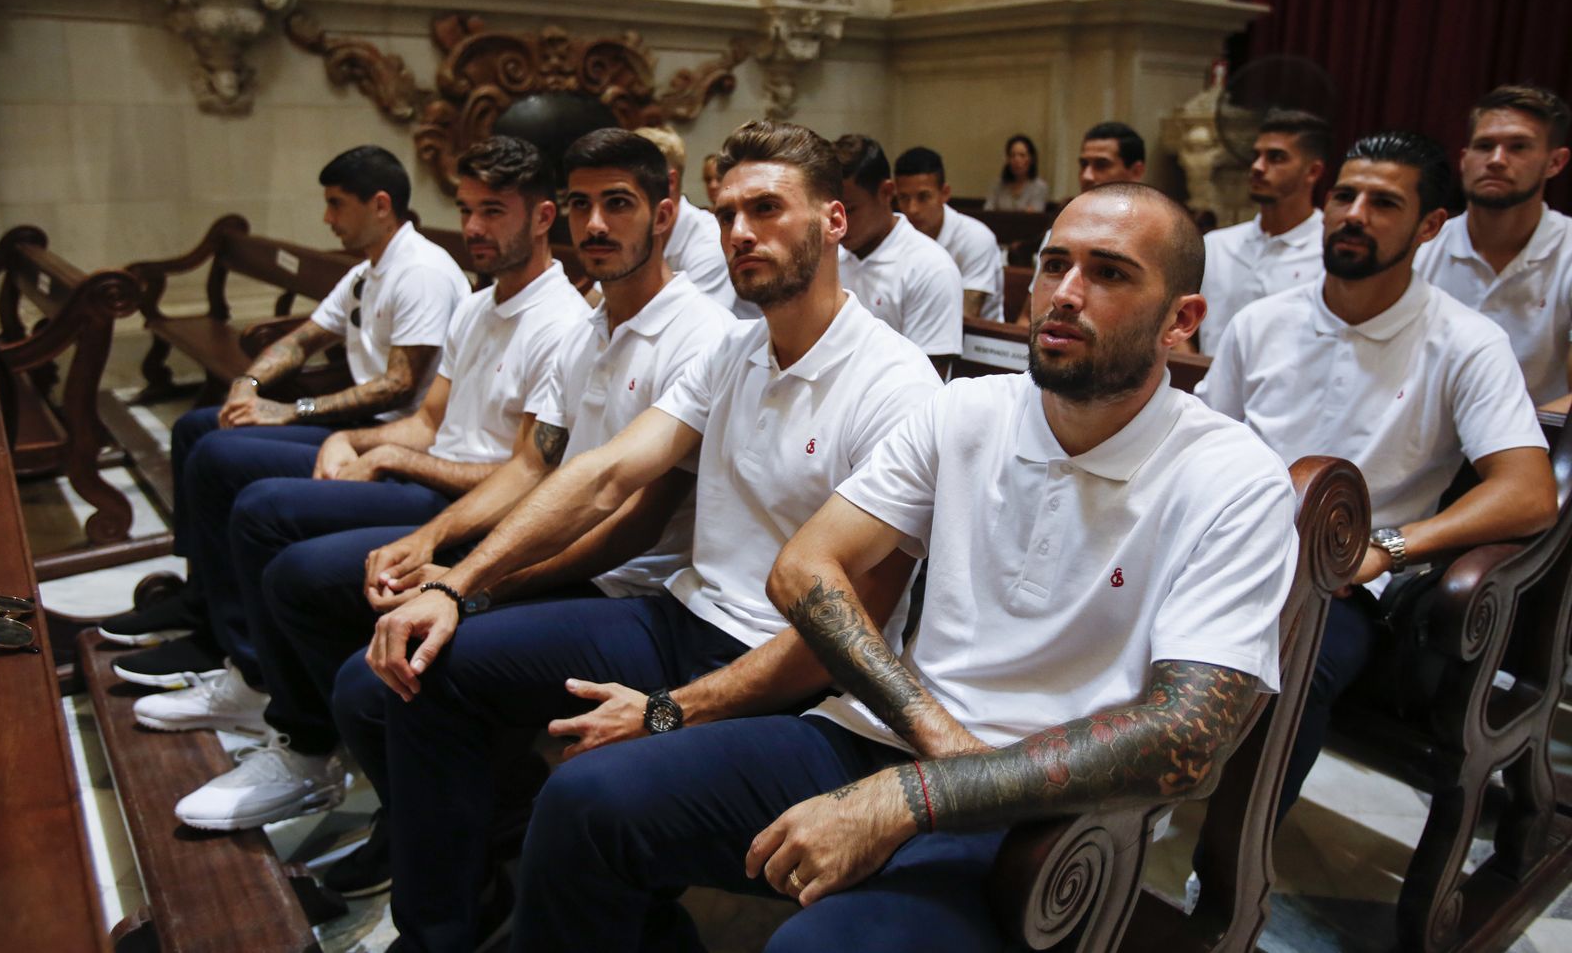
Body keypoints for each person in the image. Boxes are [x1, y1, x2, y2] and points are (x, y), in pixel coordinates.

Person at [504, 182, 1301, 953]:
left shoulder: (1232, 476)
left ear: (1182, 320)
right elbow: (804, 568)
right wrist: (929, 743)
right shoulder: (966, 410)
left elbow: (1186, 738)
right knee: (587, 799)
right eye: (1055, 264)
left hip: (1050, 811)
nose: (1064, 292)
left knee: (818, 946)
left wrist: (923, 793)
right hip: (884, 734)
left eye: (1110, 272)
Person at [330, 120, 941, 951]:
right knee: (426, 665)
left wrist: (666, 711)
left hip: (785, 670)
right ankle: (445, 928)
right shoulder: (736, 351)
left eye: (767, 209)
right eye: (727, 214)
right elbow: (606, 472)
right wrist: (453, 582)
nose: (740, 234)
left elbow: (846, 629)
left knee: (594, 797)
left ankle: (607, 917)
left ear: (834, 221)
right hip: (677, 618)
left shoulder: (896, 383)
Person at [133, 135, 592, 831]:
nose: (473, 228)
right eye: (466, 209)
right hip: (435, 481)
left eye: (493, 211)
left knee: (269, 522)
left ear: (542, 218)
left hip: (474, 508)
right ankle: (292, 716)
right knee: (247, 487)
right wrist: (353, 438)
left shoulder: (561, 323)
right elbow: (427, 419)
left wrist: (394, 459)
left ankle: (303, 737)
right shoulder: (478, 305)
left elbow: (526, 474)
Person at [1197, 130, 1556, 836]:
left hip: (1347, 582)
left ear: (1429, 226)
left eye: (1383, 202)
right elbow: (1202, 445)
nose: (1354, 214)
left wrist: (1389, 543)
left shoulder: (1464, 340)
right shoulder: (1261, 322)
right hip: (1228, 545)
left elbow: (1529, 491)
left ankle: (1228, 868)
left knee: (1296, 665)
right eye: (1344, 197)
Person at [100, 145, 471, 687]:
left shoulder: (421, 273)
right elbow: (304, 338)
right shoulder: (369, 270)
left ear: (381, 205)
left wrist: (289, 409)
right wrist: (248, 385)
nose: (328, 219)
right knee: (199, 426)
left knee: (222, 457)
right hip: (363, 425)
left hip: (398, 437)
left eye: (337, 204)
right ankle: (200, 595)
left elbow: (399, 385)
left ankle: (229, 641)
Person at [1414, 84, 1572, 407]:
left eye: (1519, 147)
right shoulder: (1420, 245)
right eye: (1484, 146)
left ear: (1555, 162)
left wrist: (1503, 435)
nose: (1497, 160)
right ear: (1464, 159)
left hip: (1539, 441)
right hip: (1424, 438)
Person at [1197, 109, 1330, 354]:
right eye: (1256, 155)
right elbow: (1174, 320)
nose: (1258, 167)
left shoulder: (1329, 252)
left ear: (1313, 172)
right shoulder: (1215, 245)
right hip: (1206, 387)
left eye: (1276, 157)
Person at [833, 133, 963, 371]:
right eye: (830, 212)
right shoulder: (830, 257)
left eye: (849, 210)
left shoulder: (930, 267)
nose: (838, 224)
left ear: (886, 192)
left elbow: (927, 380)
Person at [1016, 121, 1147, 325]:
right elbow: (1028, 317)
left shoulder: (1157, 241)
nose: (1087, 176)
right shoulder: (1060, 233)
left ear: (1136, 171)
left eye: (1101, 165)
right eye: (1083, 164)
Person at [633, 125, 737, 311]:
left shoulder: (711, 240)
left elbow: (697, 325)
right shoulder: (629, 231)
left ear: (669, 182)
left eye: (631, 179)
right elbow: (598, 302)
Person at [894, 146, 1004, 320]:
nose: (912, 209)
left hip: (976, 341)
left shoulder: (976, 238)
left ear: (944, 193)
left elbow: (967, 315)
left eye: (923, 197)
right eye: (903, 198)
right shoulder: (897, 235)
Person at [983, 133, 1049, 212]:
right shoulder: (998, 185)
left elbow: (1035, 213)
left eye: (1022, 155)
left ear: (1031, 159)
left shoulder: (1039, 187)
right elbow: (988, 210)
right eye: (1012, 155)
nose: (1017, 160)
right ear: (1007, 159)